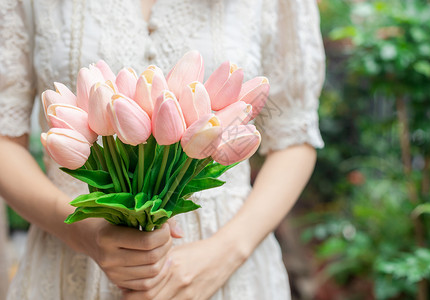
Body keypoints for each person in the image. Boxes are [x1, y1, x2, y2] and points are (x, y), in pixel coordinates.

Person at [0, 0, 325, 299]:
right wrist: (83, 231)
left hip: (228, 266)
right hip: (70, 259)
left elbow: (294, 136)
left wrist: (224, 254)